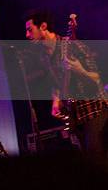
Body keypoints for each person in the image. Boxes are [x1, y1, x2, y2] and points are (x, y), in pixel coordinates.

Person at [24, 10, 107, 161]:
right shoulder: (44, 56)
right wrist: (56, 100)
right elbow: (56, 82)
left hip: (93, 109)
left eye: (30, 30)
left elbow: (97, 78)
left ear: (43, 26)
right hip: (75, 114)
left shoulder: (72, 46)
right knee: (85, 159)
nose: (27, 35)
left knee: (98, 157)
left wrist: (80, 70)